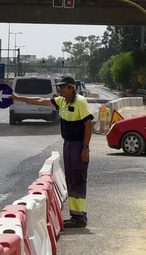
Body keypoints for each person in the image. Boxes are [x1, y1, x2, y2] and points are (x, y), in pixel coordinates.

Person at [14, 74, 95, 227]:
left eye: (63, 86)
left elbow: (88, 125)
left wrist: (85, 147)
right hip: (68, 144)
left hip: (78, 145)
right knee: (71, 179)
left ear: (71, 88)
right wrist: (18, 98)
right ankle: (75, 215)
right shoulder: (61, 101)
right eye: (60, 87)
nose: (60, 89)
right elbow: (40, 101)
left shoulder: (80, 102)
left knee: (78, 180)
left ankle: (80, 217)